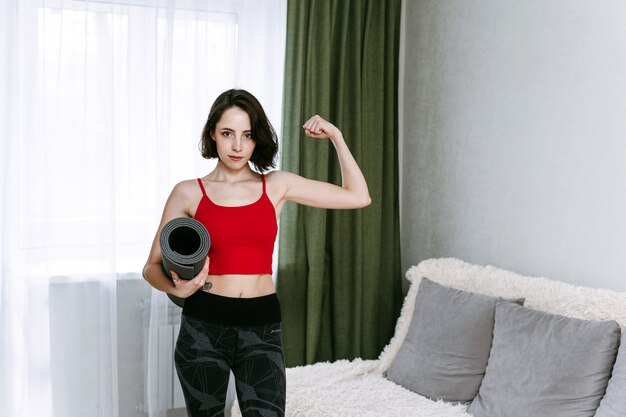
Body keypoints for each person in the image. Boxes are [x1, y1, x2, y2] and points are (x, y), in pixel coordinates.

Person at [142, 89, 370, 417]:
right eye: (228, 134)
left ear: (256, 139)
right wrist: (175, 288)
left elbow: (358, 196)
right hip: (203, 327)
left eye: (247, 135)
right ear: (212, 135)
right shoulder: (188, 192)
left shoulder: (276, 185)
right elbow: (151, 267)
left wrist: (336, 136)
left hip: (262, 328)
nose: (237, 146)